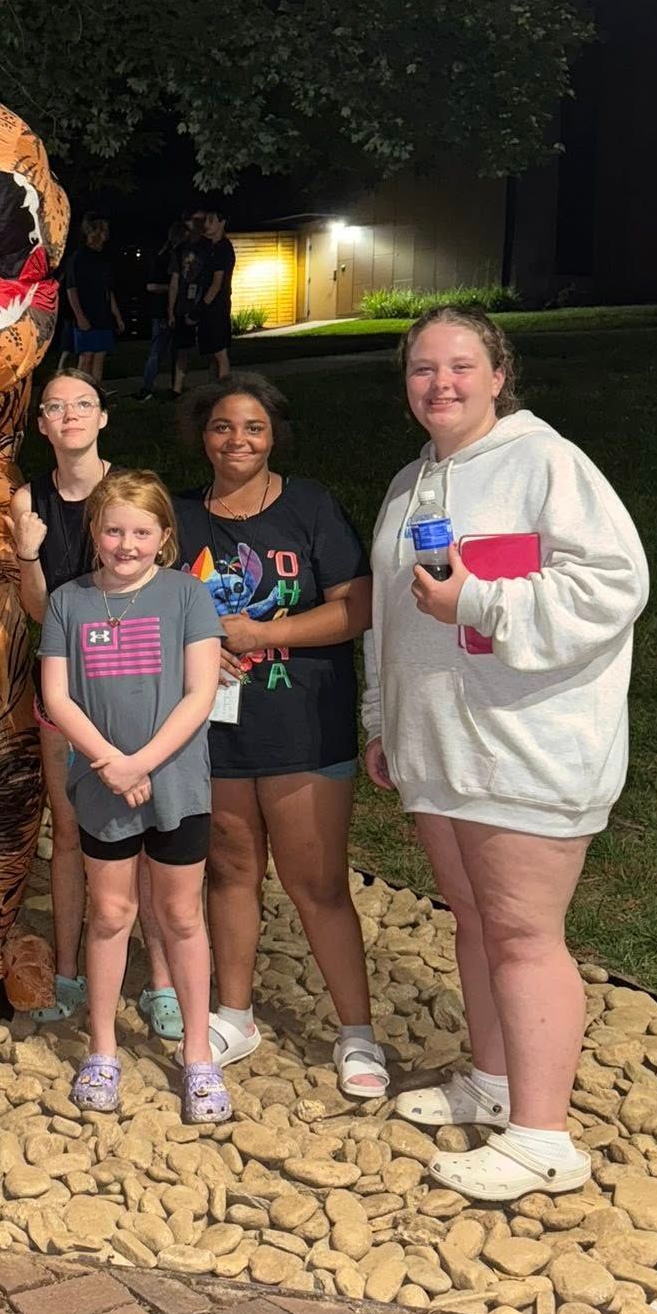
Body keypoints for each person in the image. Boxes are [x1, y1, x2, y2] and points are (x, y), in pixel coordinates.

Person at [364, 308, 648, 1201]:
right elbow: (388, 615)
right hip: (439, 746)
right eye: (422, 368)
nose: (439, 383)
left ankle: (542, 1139)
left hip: (526, 749)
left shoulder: (547, 463)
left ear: (498, 375)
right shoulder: (412, 481)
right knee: (476, 922)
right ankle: (494, 1083)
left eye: (460, 365)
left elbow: (613, 584)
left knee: (525, 934)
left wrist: (481, 603)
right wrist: (381, 716)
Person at [174, 378, 387, 1100]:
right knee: (230, 870)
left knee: (317, 882)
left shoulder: (311, 506)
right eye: (222, 426)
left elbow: (357, 606)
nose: (236, 440)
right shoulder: (179, 518)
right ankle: (235, 1014)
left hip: (304, 725)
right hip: (214, 729)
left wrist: (262, 633)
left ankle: (357, 1032)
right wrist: (197, 647)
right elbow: (149, 604)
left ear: (274, 436)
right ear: (202, 435)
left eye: (253, 427)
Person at [40, 470, 230, 1123]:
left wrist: (141, 763)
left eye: (141, 532)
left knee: (181, 915)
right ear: (94, 531)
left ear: (164, 536)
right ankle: (102, 1049)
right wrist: (109, 764)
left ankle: (198, 1054)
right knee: (110, 913)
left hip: (176, 783)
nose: (127, 545)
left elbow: (200, 693)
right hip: (102, 787)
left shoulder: (187, 596)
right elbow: (57, 696)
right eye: (114, 530)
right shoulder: (68, 602)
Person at [9, 373, 179, 1035]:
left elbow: (162, 590)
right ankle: (68, 969)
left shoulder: (131, 493)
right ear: (42, 425)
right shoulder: (30, 500)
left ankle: (161, 979)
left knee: (147, 829)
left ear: (103, 417)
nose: (70, 415)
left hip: (135, 687)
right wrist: (27, 557)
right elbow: (38, 609)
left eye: (82, 404)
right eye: (55, 407)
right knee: (70, 830)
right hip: (64, 691)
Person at [66, 216, 124, 382]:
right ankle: (79, 391)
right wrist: (80, 316)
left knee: (100, 356)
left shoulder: (104, 258)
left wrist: (117, 316)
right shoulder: (78, 257)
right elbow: (71, 289)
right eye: (102, 230)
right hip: (86, 313)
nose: (105, 234)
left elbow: (108, 290)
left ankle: (95, 391)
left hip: (103, 314)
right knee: (86, 357)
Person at [136, 222, 183, 402]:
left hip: (170, 310)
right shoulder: (164, 258)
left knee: (174, 352)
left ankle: (174, 387)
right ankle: (146, 387)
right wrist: (172, 288)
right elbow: (151, 286)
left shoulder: (169, 256)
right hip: (161, 311)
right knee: (157, 352)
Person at [192, 212, 236, 379]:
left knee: (220, 353)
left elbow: (217, 284)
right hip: (210, 306)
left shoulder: (223, 248)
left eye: (211, 220)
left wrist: (201, 308)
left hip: (217, 306)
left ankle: (223, 388)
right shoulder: (211, 247)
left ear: (222, 223)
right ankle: (214, 386)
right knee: (211, 353)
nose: (207, 224)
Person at [166, 216, 204, 396]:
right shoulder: (179, 250)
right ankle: (177, 388)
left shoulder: (206, 248)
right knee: (182, 349)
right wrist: (171, 311)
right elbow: (174, 281)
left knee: (210, 350)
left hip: (200, 304)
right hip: (182, 306)